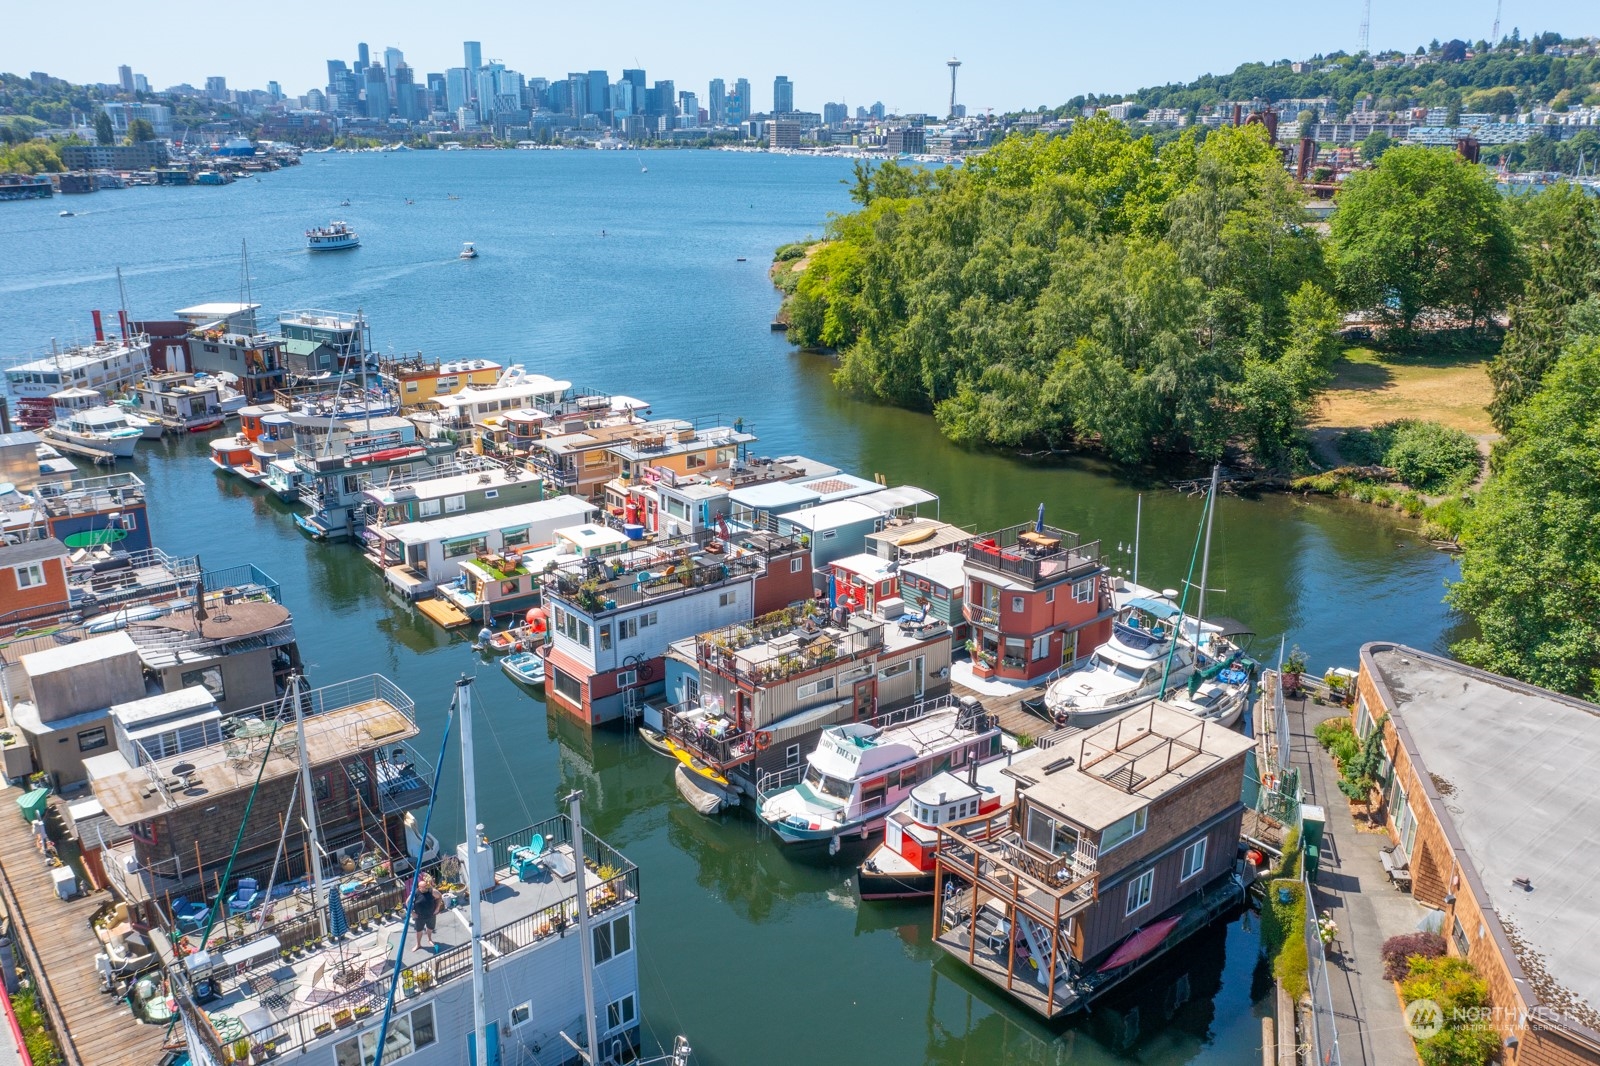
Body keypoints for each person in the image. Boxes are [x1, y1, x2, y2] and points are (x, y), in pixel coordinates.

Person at [411, 874, 442, 953]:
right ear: (419, 888)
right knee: (419, 931)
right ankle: (418, 944)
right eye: (424, 887)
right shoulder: (415, 893)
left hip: (431, 915)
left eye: (426, 887)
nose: (426, 888)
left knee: (430, 928)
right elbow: (407, 903)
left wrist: (437, 908)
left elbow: (439, 896)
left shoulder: (431, 891)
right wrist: (412, 913)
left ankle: (429, 939)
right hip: (419, 916)